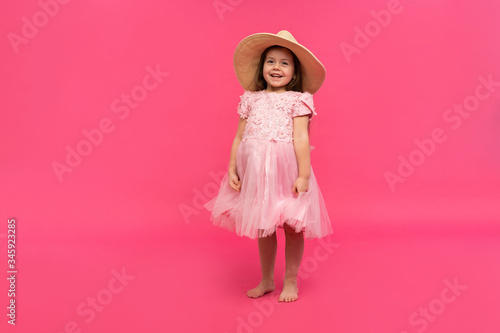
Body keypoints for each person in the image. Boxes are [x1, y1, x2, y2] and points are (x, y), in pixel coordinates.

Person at [204, 30, 333, 302]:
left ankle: (290, 280)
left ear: (294, 73)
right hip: (256, 172)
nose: (277, 67)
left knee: (291, 225)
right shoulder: (251, 98)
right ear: (262, 67)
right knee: (263, 224)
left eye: (285, 63)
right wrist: (232, 168)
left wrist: (304, 175)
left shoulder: (298, 99)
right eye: (271, 61)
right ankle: (266, 279)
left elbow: (301, 137)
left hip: (285, 170)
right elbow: (239, 135)